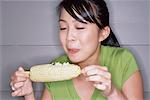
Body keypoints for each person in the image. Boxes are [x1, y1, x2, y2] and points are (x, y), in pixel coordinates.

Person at [10, 0, 144, 100]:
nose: (69, 38)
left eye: (79, 27)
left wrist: (113, 93)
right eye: (63, 28)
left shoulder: (123, 60)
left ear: (103, 33)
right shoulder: (55, 66)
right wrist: (28, 94)